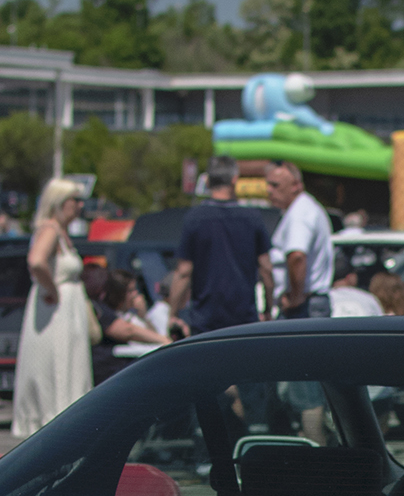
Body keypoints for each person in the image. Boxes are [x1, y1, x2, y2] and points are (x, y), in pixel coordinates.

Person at [13, 176, 99, 439]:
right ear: (59, 202)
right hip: (55, 315)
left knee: (68, 370)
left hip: (65, 314)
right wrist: (52, 289)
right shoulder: (50, 229)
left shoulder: (62, 233)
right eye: (75, 200)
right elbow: (36, 261)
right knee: (58, 370)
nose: (79, 206)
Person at [172, 154, 271, 334]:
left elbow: (184, 272)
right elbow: (266, 268)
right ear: (235, 180)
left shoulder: (195, 219)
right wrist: (269, 308)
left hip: (205, 320)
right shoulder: (252, 218)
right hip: (244, 320)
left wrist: (173, 313)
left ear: (208, 181)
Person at [265, 160, 333, 318]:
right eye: (268, 185)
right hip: (309, 303)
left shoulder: (299, 213)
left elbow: (296, 256)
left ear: (295, 185)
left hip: (305, 306)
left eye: (275, 185)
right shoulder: (301, 209)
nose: (269, 190)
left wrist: (296, 297)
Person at [91, 268, 170, 385]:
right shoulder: (103, 312)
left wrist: (143, 316)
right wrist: (165, 341)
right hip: (109, 376)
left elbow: (152, 337)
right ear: (118, 292)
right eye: (130, 291)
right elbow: (129, 331)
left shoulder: (132, 316)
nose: (135, 295)